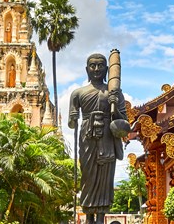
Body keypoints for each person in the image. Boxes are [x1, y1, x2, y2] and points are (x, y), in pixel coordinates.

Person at [68, 53, 128, 224]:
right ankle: (89, 217)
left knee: (105, 177)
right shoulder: (78, 93)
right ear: (87, 70)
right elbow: (72, 123)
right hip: (87, 137)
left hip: (107, 138)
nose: (96, 69)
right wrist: (73, 118)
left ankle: (101, 217)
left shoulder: (114, 93)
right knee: (87, 177)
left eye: (100, 66)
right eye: (92, 66)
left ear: (107, 69)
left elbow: (124, 123)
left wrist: (114, 105)